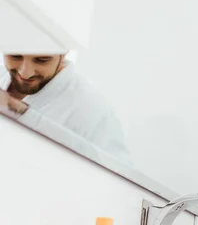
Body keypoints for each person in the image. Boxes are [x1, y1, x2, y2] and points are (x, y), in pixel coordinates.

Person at [0, 53, 131, 163]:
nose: (25, 73)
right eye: (15, 56)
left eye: (42, 60)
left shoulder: (93, 108)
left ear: (63, 53)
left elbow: (121, 175)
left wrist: (23, 114)